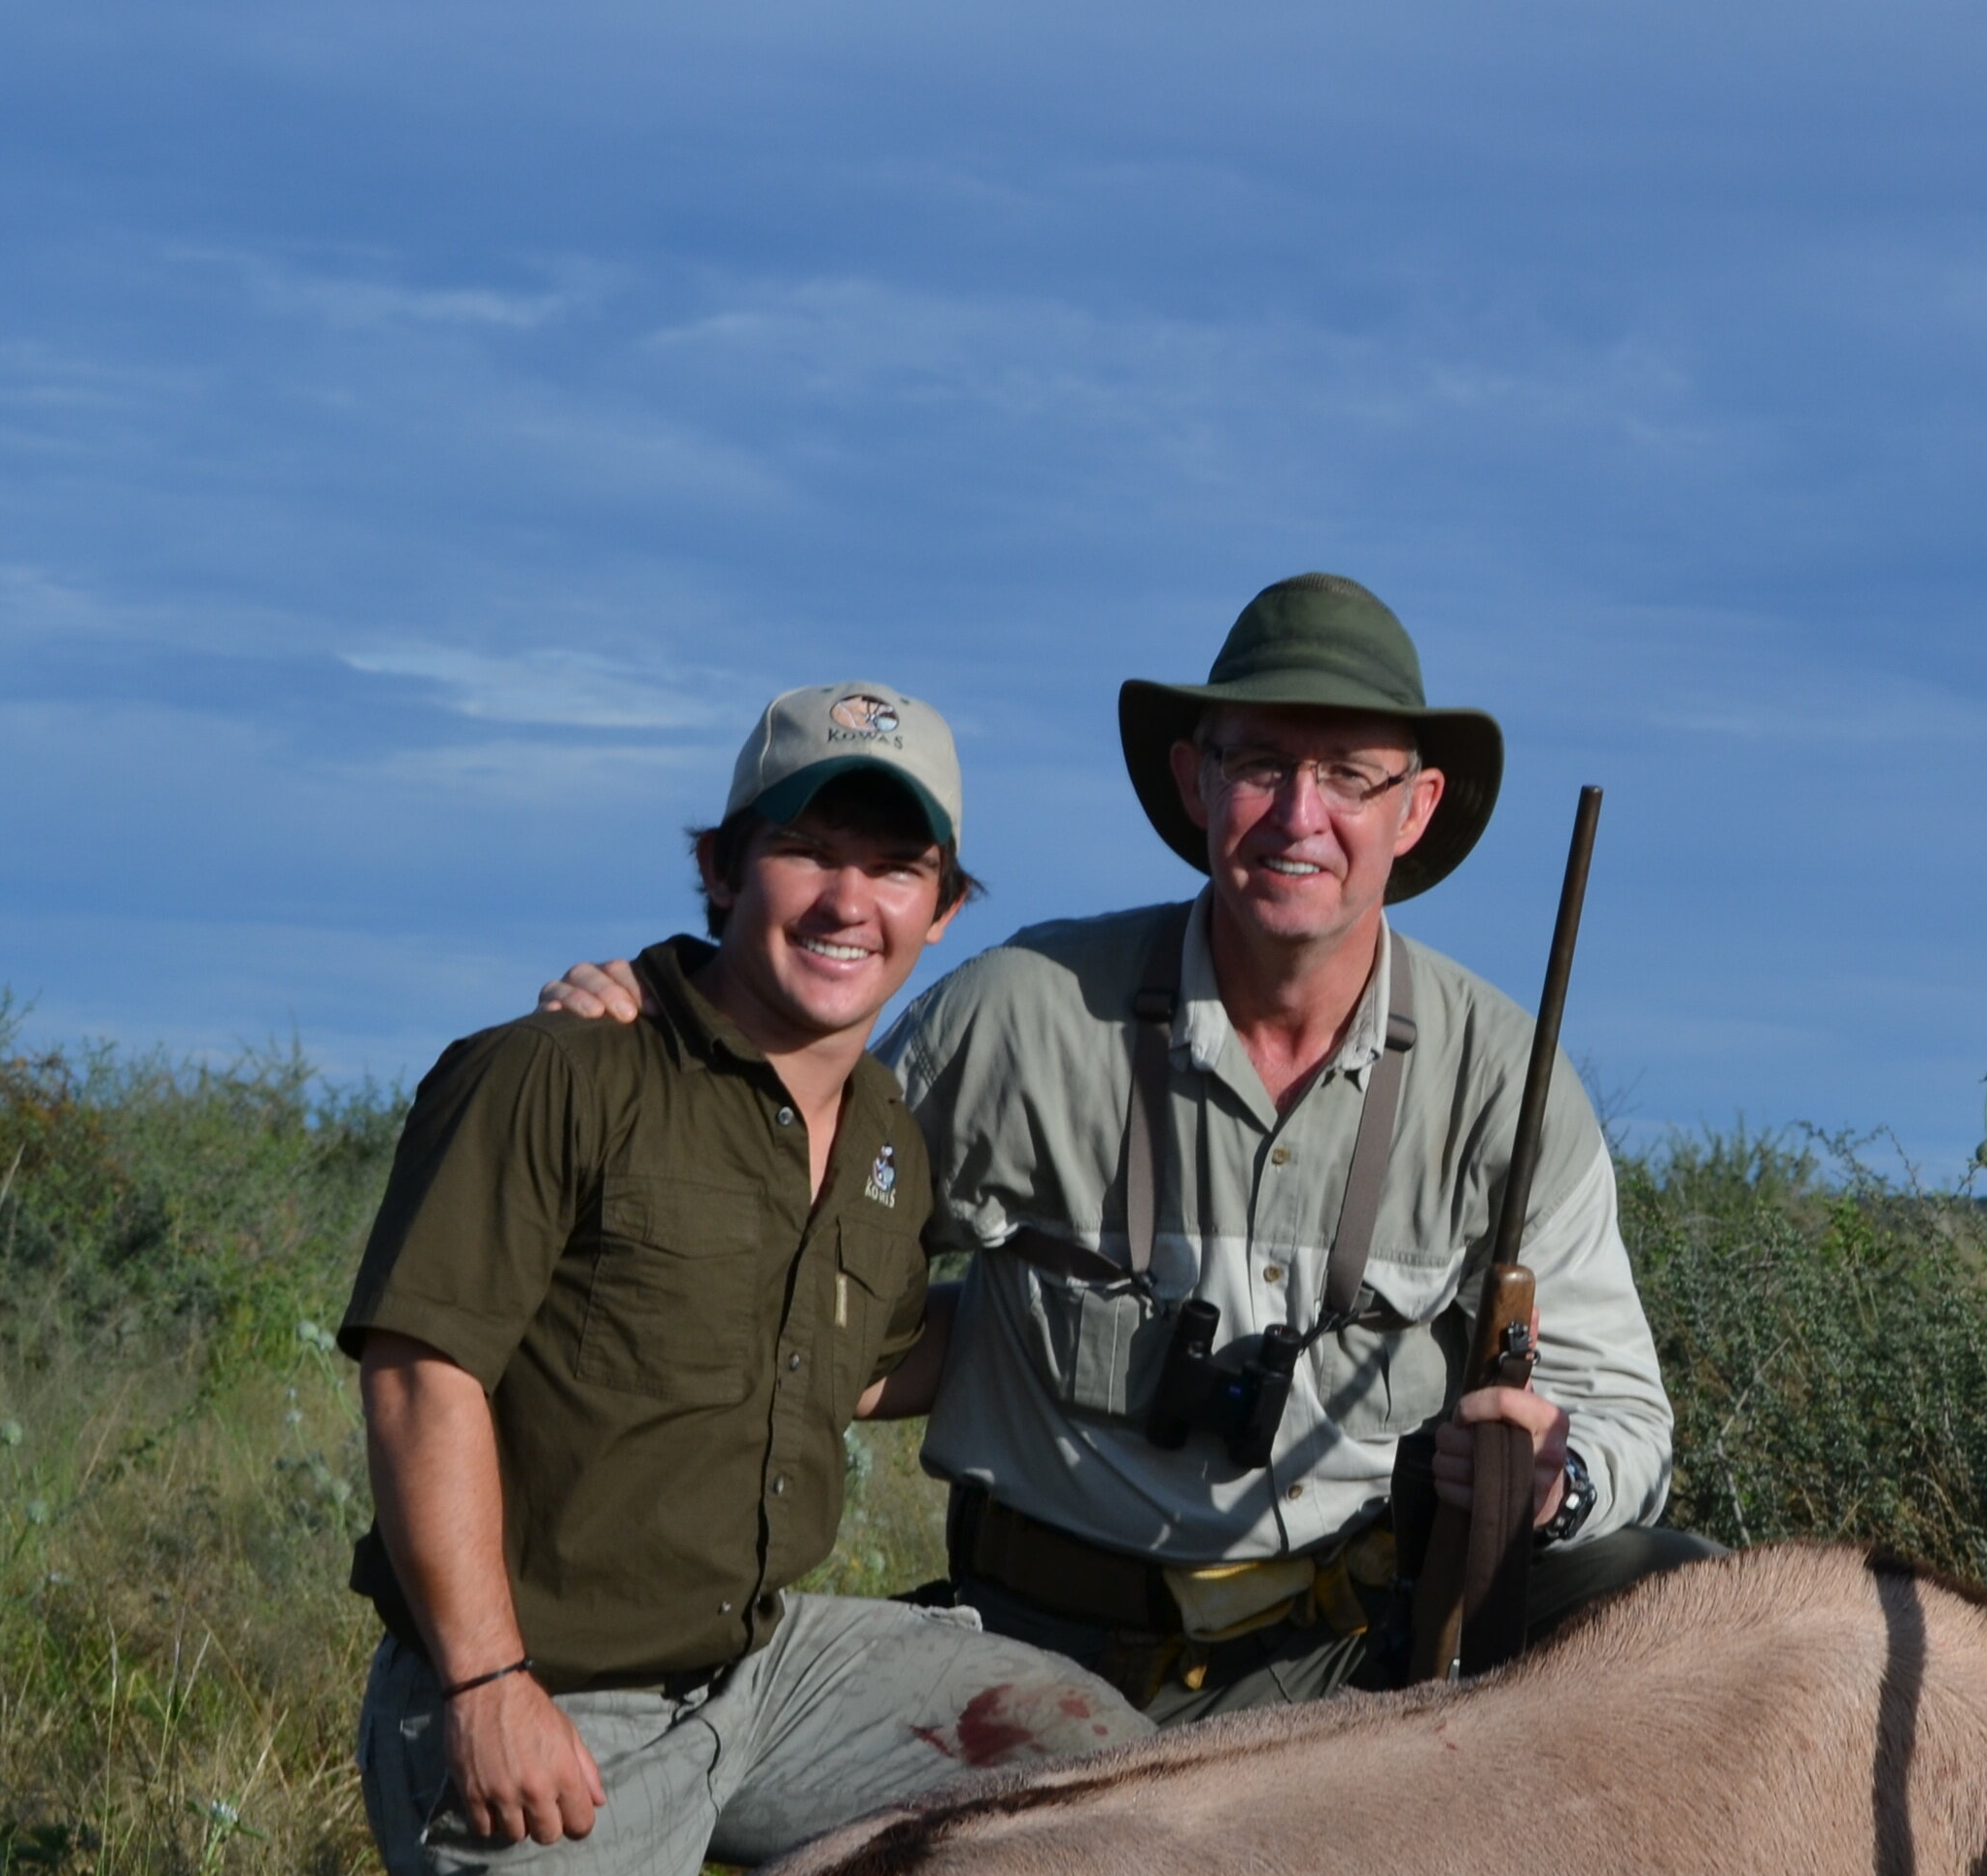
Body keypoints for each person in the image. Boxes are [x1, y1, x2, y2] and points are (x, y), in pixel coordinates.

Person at [544, 573, 1710, 1718]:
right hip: (1038, 1651)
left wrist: (1554, 1483)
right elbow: (782, 1236)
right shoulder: (1018, 1017)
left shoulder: (1509, 1082)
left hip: (1351, 1658)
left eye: (1350, 776)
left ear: (1415, 806)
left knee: (1693, 1603)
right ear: (1196, 782)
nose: (1301, 817)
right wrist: (662, 1032)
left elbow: (1623, 1417)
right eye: (1260, 765)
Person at [315, 683, 1148, 1876]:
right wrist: (487, 1677)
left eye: (892, 866)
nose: (847, 898)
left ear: (942, 906)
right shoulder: (554, 1073)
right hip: (549, 1703)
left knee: (1082, 1759)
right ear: (721, 868)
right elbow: (422, 1370)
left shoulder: (891, 1134)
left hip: (755, 1669)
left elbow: (856, 1361)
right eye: (804, 850)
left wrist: (1079, 1319)